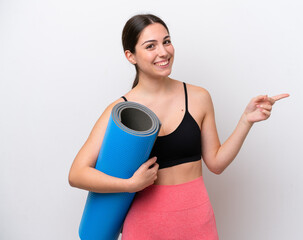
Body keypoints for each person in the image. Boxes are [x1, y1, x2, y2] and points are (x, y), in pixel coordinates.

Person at [68, 14, 289, 240]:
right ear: (130, 56)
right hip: (144, 225)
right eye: (150, 46)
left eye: (166, 41)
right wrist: (129, 184)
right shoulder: (120, 111)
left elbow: (216, 163)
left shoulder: (198, 97)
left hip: (197, 220)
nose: (163, 52)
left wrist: (246, 121)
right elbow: (76, 174)